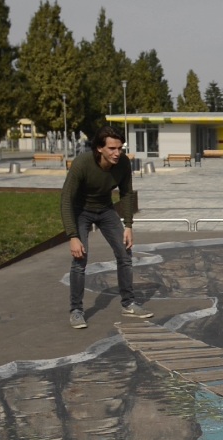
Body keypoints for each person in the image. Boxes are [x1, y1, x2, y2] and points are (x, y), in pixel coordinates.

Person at [61, 125, 153, 329]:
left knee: (125, 252)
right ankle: (76, 310)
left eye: (120, 148)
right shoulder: (82, 163)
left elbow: (127, 193)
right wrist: (72, 235)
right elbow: (66, 200)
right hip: (81, 211)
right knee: (80, 259)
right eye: (112, 148)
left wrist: (128, 225)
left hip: (105, 210)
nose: (117, 153)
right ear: (99, 148)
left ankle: (128, 303)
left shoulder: (122, 164)